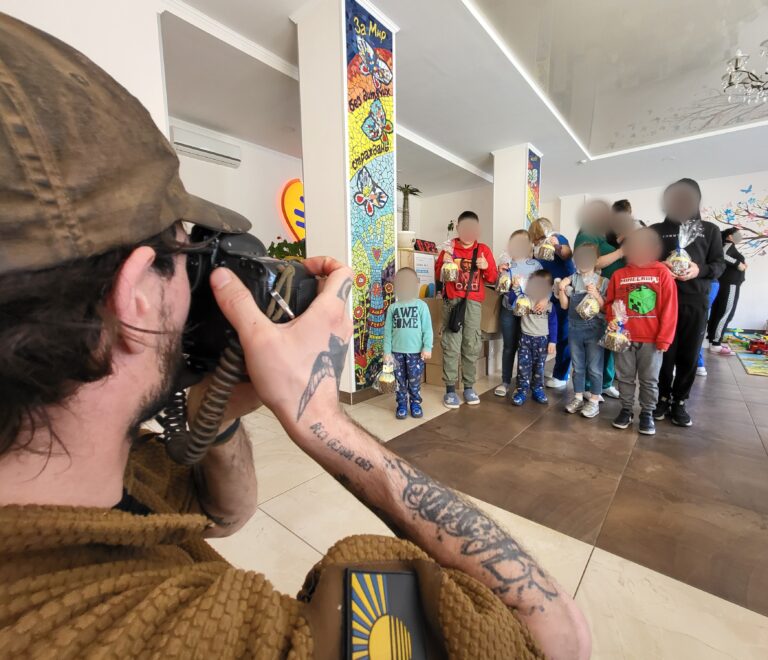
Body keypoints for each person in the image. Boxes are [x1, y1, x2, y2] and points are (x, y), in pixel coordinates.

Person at [0, 14, 594, 659]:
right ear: (138, 292)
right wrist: (322, 418)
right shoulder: (185, 635)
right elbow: (553, 637)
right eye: (187, 252)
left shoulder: (83, 477)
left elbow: (219, 513)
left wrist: (214, 416)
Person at [651, 178, 725, 427]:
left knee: (689, 354)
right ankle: (661, 398)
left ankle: (680, 401)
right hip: (663, 301)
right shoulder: (657, 231)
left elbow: (719, 265)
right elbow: (643, 261)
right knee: (663, 353)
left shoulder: (710, 230)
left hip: (695, 301)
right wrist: (659, 266)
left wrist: (698, 269)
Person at [605, 229, 678, 435]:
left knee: (649, 379)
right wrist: (612, 320)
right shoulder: (619, 275)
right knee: (625, 377)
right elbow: (610, 304)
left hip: (652, 340)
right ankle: (626, 409)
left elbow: (670, 308)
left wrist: (664, 339)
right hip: (623, 338)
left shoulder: (662, 273)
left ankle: (647, 412)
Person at [435, 211, 498, 409]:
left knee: (471, 344)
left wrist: (486, 266)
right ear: (458, 228)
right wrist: (444, 263)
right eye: (465, 227)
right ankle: (450, 390)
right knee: (451, 345)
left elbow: (493, 278)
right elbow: (438, 276)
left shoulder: (483, 250)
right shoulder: (448, 248)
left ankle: (469, 387)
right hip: (452, 303)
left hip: (473, 304)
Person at [574, 200, 634, 400]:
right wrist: (621, 251)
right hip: (595, 293)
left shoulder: (605, 236)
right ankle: (590, 386)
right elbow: (592, 262)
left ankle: (605, 383)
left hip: (613, 291)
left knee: (610, 335)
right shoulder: (587, 235)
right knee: (595, 342)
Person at [557, 243, 609, 418]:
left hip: (595, 330)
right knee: (578, 366)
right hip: (574, 329)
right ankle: (578, 397)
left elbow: (605, 308)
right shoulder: (572, 278)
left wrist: (596, 294)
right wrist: (561, 289)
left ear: (595, 261)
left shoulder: (602, 282)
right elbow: (564, 306)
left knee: (594, 367)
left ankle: (594, 400)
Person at [528, 218, 574, 391]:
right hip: (548, 292)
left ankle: (561, 375)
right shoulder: (538, 248)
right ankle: (558, 370)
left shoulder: (557, 239)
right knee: (551, 332)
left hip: (562, 289)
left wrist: (557, 246)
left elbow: (567, 254)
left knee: (563, 333)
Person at [494, 229, 542, 397]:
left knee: (526, 349)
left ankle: (524, 383)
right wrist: (500, 274)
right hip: (508, 310)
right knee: (509, 347)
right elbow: (498, 289)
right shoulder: (506, 264)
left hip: (528, 314)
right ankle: (505, 381)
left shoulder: (535, 265)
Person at [383, 267, 433, 419]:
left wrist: (427, 347)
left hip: (416, 353)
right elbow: (387, 332)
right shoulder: (393, 308)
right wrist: (387, 352)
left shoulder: (421, 306)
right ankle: (402, 404)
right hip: (396, 353)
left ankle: (415, 403)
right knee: (400, 382)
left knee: (414, 381)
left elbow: (427, 329)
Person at [511, 270, 558, 406]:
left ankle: (537, 389)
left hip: (542, 340)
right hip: (525, 338)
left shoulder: (549, 305)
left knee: (539, 367)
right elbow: (512, 300)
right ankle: (522, 390)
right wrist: (515, 286)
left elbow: (553, 324)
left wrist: (553, 342)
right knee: (523, 367)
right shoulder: (525, 299)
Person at [707, 227, 747, 355]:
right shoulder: (728, 245)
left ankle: (713, 340)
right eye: (737, 234)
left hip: (726, 284)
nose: (740, 236)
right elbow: (722, 255)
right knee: (726, 313)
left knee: (718, 312)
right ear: (730, 236)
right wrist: (738, 264)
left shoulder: (726, 245)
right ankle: (716, 343)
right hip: (730, 285)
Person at [696, 280, 720, 376]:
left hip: (707, 282)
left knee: (698, 322)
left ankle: (697, 361)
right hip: (706, 282)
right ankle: (697, 362)